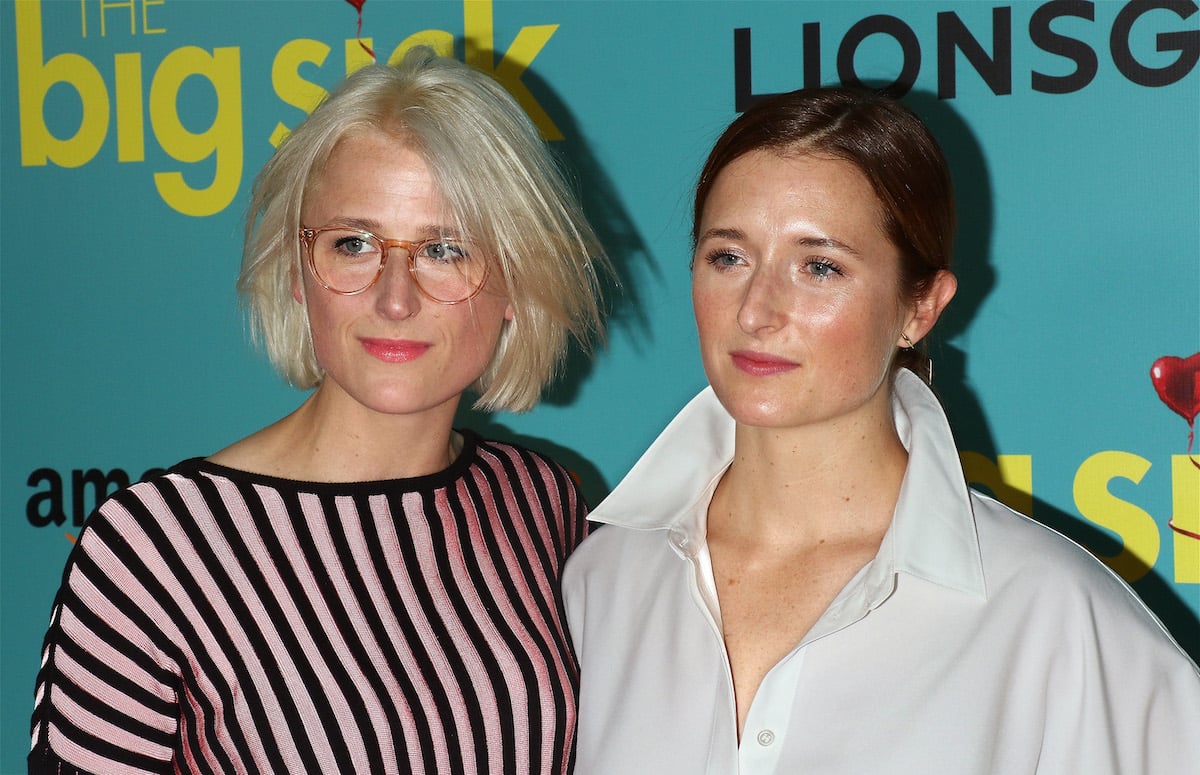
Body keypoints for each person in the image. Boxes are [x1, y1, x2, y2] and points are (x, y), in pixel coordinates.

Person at [562, 87, 1200, 773]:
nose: (756, 310)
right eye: (728, 257)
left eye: (820, 266)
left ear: (920, 307)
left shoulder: (1049, 611)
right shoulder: (601, 581)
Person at [31, 47, 606, 775]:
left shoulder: (540, 503)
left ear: (518, 284)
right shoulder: (155, 552)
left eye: (445, 248)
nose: (395, 298)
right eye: (353, 243)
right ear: (300, 273)